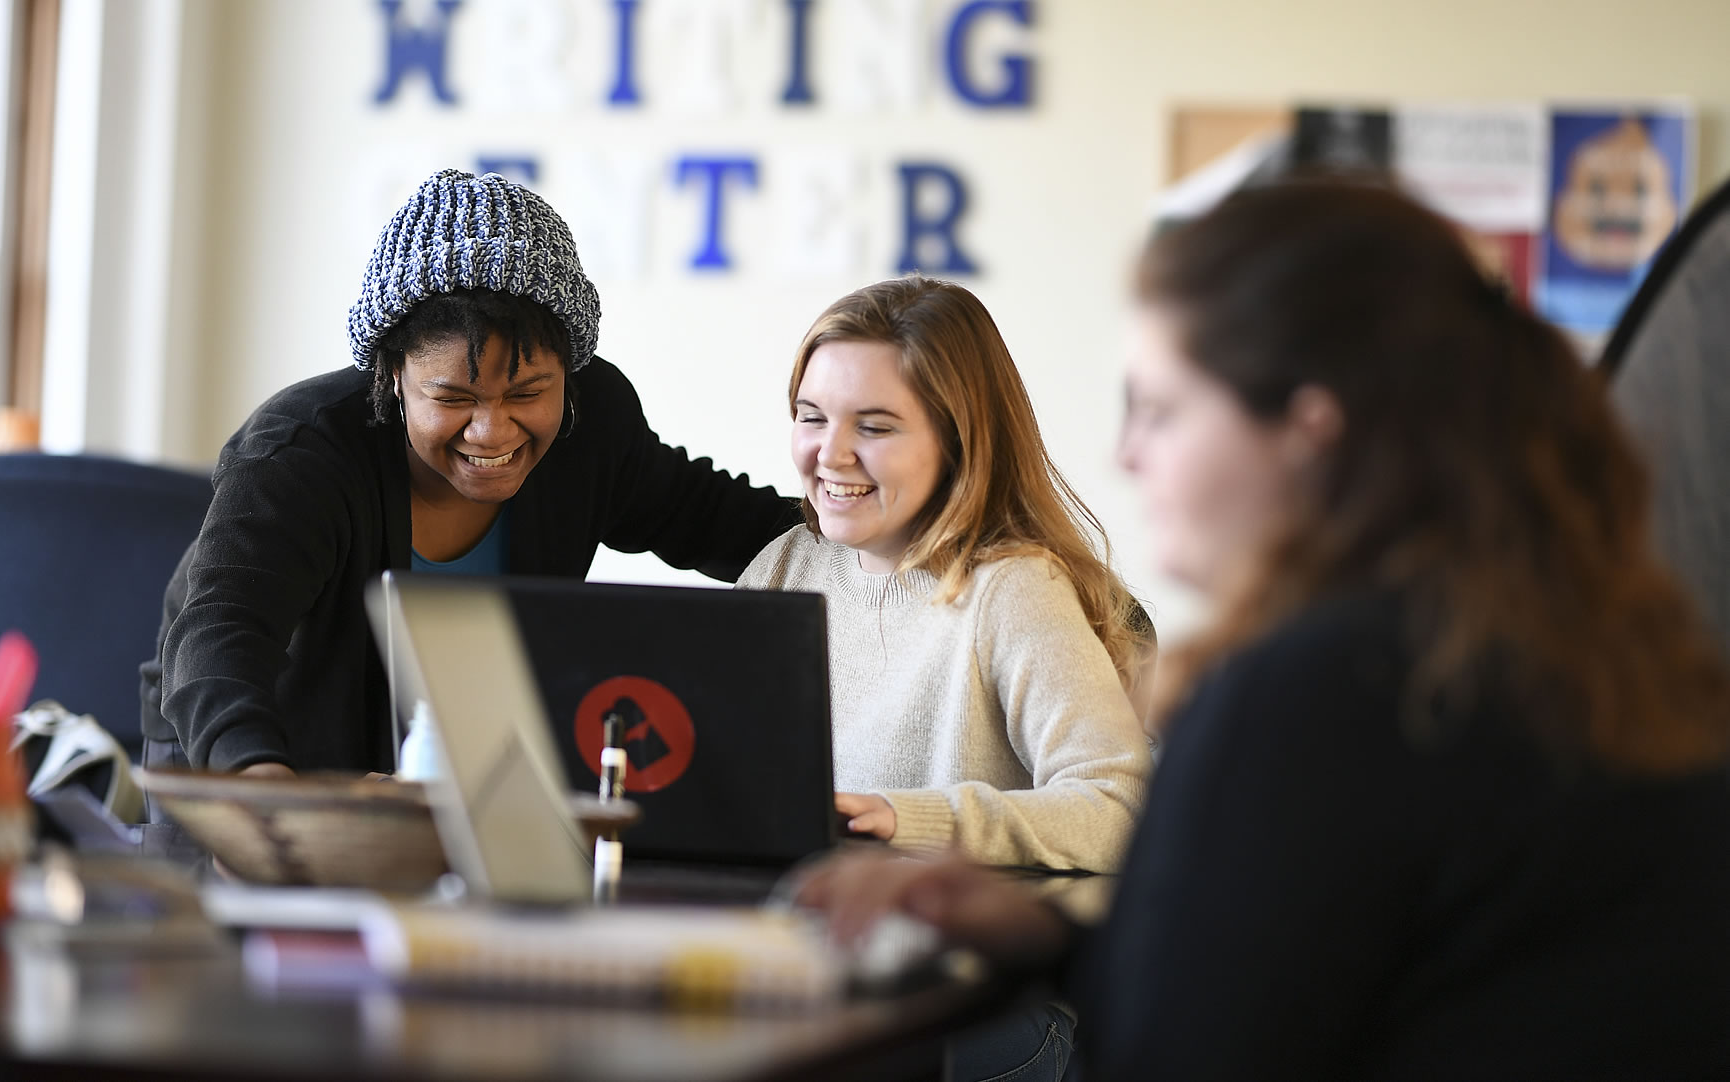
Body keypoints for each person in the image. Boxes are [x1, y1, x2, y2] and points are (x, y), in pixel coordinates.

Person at [797, 180, 1730, 1080]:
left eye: (1161, 411)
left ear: (1306, 432)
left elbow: (1191, 1052)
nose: (1129, 454)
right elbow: (1346, 972)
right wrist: (1052, 938)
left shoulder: (1321, 690)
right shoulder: (1587, 647)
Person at [141, 171, 797, 781]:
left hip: (460, 759)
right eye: (453, 398)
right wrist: (255, 784)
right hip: (242, 749)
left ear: (568, 375)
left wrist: (883, 521)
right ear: (393, 375)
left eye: (528, 392)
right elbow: (221, 632)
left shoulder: (592, 426)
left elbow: (729, 525)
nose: (493, 431)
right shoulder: (302, 452)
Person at [738, 276, 1155, 1081]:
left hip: (977, 1007)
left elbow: (1119, 803)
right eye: (812, 417)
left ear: (958, 439)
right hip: (825, 974)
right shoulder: (788, 566)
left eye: (877, 426)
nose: (831, 454)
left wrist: (902, 819)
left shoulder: (1010, 587)